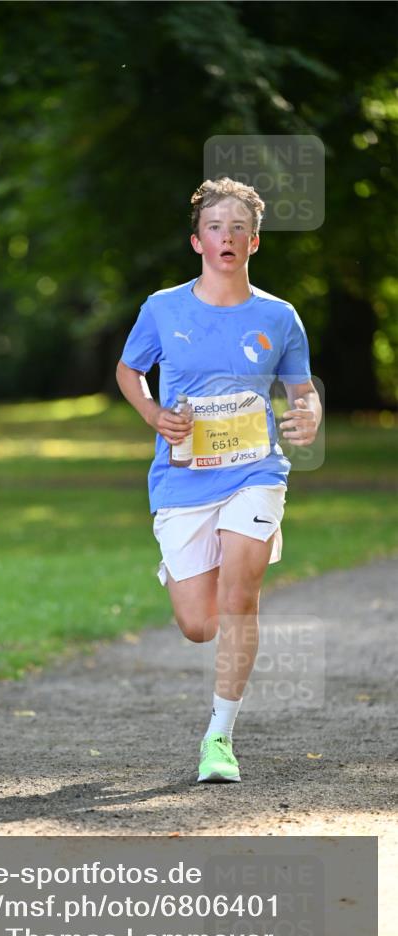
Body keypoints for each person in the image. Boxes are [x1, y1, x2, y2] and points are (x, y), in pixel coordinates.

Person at [116, 176, 321, 783]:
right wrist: (155, 414)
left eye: (238, 228)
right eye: (215, 227)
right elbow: (130, 372)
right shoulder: (162, 307)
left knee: (240, 600)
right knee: (200, 625)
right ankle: (204, 579)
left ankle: (219, 739)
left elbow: (302, 391)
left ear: (253, 243)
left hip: (256, 471)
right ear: (196, 240)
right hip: (183, 480)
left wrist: (308, 418)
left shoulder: (279, 317)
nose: (226, 236)